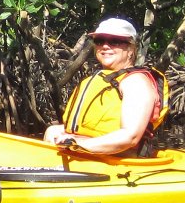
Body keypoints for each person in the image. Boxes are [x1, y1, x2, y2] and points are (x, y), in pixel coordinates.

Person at [43, 17, 167, 156]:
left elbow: (130, 137)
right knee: (53, 130)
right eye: (100, 40)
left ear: (131, 48)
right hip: (87, 153)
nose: (105, 46)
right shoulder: (100, 78)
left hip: (120, 160)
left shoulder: (135, 83)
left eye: (114, 41)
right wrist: (62, 134)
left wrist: (78, 143)